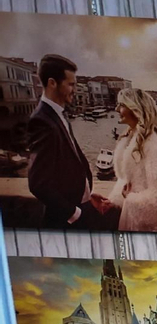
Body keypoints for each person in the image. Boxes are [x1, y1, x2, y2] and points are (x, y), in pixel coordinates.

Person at [26, 54, 102, 229]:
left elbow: (67, 165)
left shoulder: (58, 115)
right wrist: (74, 213)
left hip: (79, 207)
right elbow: (38, 184)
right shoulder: (42, 121)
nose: (74, 89)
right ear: (52, 83)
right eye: (71, 84)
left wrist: (87, 196)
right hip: (64, 221)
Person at [107, 88, 157, 233]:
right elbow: (127, 181)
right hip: (131, 215)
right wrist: (113, 202)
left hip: (147, 225)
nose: (116, 109)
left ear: (135, 109)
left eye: (121, 105)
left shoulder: (151, 144)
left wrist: (132, 200)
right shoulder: (132, 138)